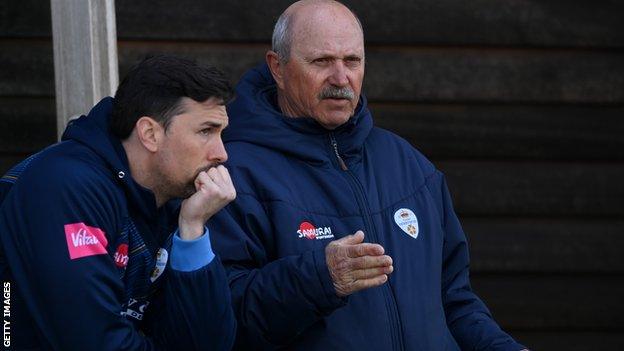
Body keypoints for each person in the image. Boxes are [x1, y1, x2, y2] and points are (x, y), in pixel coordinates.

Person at [208, 1, 528, 350]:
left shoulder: (409, 165)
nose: (340, 78)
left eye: (352, 61)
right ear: (278, 68)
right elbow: (219, 317)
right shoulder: (234, 173)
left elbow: (454, 301)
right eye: (322, 61)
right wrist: (318, 279)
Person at [0, 55, 237, 350]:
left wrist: (193, 232)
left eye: (221, 134)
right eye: (206, 131)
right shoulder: (66, 186)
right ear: (150, 134)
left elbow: (209, 344)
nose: (221, 153)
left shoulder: (175, 198)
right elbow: (92, 341)